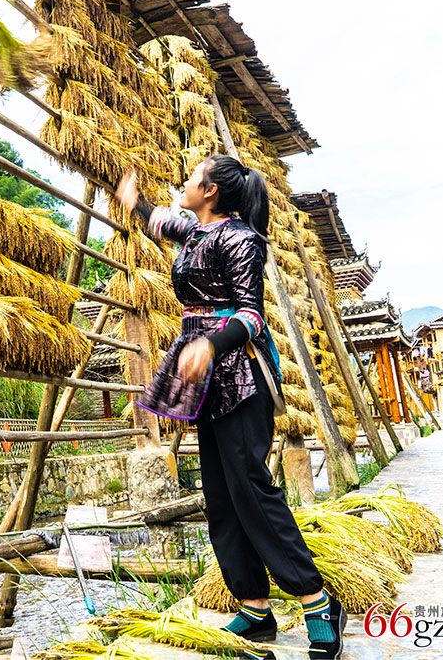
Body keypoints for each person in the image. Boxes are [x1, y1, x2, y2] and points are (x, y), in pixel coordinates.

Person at [115, 157, 347, 660]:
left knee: (251, 488)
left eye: (191, 178)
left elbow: (251, 315)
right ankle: (255, 606)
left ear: (211, 191)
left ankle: (316, 600)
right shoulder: (197, 232)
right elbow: (161, 221)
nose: (183, 183)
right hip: (207, 379)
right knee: (220, 495)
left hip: (241, 376)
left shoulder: (241, 239)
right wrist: (135, 203)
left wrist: (212, 344)